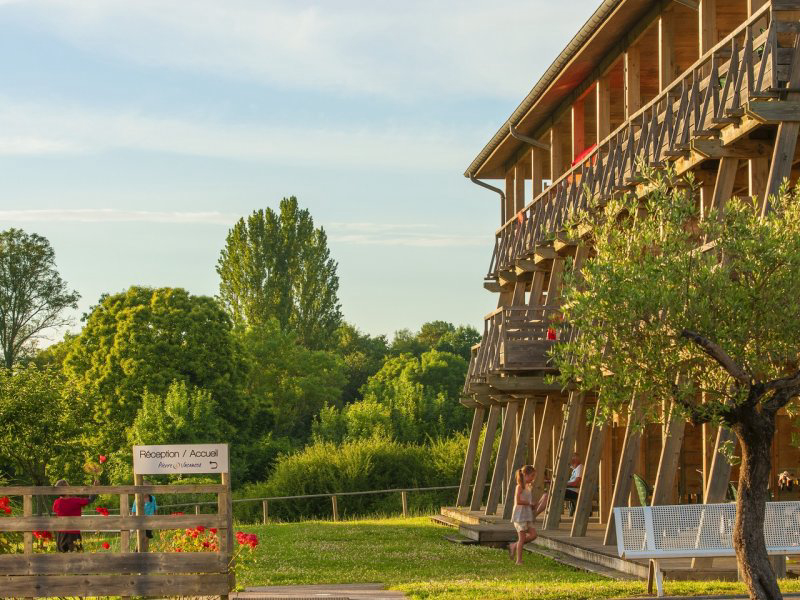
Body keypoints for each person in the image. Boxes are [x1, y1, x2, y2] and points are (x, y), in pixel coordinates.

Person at [52, 478, 98, 552]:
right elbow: (90, 499)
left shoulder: (56, 503)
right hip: (74, 534)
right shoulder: (75, 501)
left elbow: (55, 512)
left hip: (61, 534)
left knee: (62, 555)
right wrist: (95, 487)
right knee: (76, 555)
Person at [508, 465, 540, 565]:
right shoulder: (519, 487)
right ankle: (519, 560)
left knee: (534, 535)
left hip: (527, 515)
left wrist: (532, 506)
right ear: (525, 475)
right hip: (520, 516)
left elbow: (527, 501)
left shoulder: (528, 487)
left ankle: (514, 545)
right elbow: (518, 501)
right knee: (521, 539)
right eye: (532, 476)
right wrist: (529, 503)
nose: (533, 478)